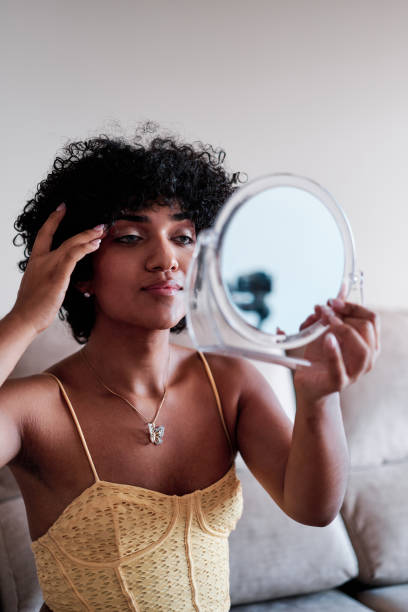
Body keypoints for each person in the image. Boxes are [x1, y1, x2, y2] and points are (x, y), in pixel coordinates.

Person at [0, 130, 379, 611]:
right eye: (132, 238)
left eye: (183, 237)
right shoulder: (34, 408)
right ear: (82, 271)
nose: (166, 261)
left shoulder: (229, 382)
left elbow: (313, 507)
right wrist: (25, 319)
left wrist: (319, 397)